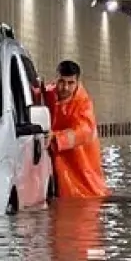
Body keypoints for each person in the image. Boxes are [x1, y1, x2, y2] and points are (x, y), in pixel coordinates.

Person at [43, 60, 111, 198]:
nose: (65, 88)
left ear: (77, 82)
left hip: (82, 162)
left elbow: (84, 131)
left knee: (86, 196)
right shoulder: (48, 94)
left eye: (70, 83)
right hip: (58, 159)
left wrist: (56, 137)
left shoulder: (83, 103)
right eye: (62, 82)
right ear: (56, 79)